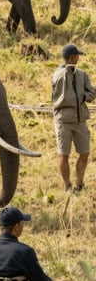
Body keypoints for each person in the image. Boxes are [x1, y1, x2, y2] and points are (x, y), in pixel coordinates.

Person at [52, 42, 95, 192]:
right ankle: (67, 185)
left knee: (84, 153)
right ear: (72, 57)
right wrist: (66, 70)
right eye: (77, 56)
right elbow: (58, 85)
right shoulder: (58, 74)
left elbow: (92, 92)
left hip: (80, 120)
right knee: (64, 154)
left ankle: (79, 184)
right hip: (63, 121)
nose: (79, 58)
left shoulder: (82, 75)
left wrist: (85, 96)